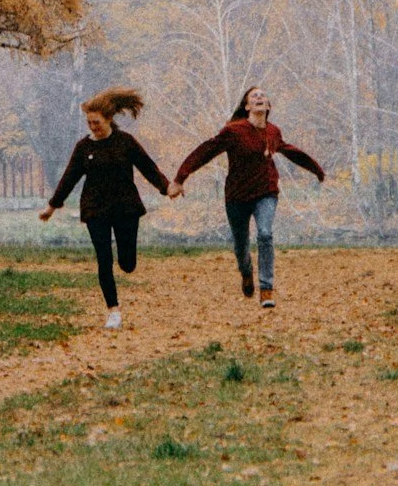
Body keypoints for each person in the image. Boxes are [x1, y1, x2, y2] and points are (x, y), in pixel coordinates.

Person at [175, 85, 324, 309]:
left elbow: (290, 151)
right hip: (237, 196)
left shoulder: (273, 131)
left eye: (263, 95)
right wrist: (180, 177)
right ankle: (246, 272)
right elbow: (206, 150)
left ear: (268, 106)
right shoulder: (233, 131)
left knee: (265, 234)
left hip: (266, 192)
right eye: (254, 96)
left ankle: (266, 288)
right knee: (241, 247)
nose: (259, 97)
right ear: (247, 106)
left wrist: (316, 169)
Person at [40, 88, 178, 329]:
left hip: (126, 208)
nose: (93, 127)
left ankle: (126, 263)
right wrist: (52, 207)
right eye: (89, 122)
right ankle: (113, 311)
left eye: (97, 122)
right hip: (96, 210)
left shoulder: (125, 142)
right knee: (104, 259)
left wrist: (166, 188)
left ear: (109, 119)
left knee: (127, 264)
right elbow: (69, 178)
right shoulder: (84, 148)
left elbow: (148, 167)